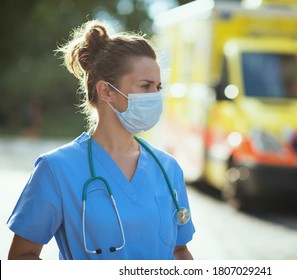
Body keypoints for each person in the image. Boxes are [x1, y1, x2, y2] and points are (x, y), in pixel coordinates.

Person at [7, 20, 195, 260]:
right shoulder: (57, 169)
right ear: (106, 91)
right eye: (145, 86)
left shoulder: (168, 169)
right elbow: (22, 257)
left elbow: (180, 251)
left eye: (158, 87)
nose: (155, 97)